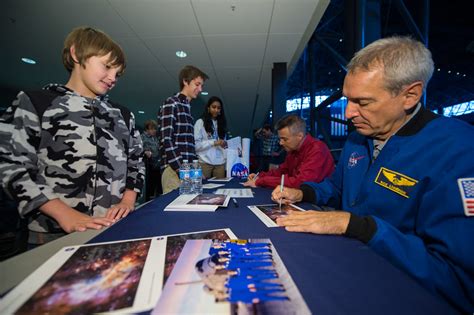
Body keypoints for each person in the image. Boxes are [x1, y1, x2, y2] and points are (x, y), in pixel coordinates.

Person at [271, 36, 474, 312]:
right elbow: (336, 189)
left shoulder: (460, 151)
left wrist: (359, 227)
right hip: (345, 270)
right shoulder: (357, 140)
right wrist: (304, 192)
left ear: (410, 95)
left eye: (363, 102)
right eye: (347, 100)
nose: (349, 113)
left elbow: (458, 281)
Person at [0, 26, 145, 246]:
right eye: (107, 66)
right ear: (77, 54)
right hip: (51, 233)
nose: (112, 78)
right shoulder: (36, 103)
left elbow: (136, 160)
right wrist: (63, 214)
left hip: (111, 227)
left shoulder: (123, 115)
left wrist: (128, 199)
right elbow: (11, 164)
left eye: (117, 73)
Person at [244, 115, 334, 189]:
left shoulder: (317, 149)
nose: (280, 143)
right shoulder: (292, 151)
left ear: (299, 136)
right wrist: (260, 176)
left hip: (321, 206)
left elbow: (301, 182)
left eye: (284, 139)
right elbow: (281, 171)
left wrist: (261, 181)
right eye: (280, 139)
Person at [159, 65, 209, 194]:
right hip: (173, 171)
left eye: (202, 86)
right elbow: (167, 140)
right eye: (197, 84)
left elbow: (189, 147)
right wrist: (183, 170)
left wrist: (196, 171)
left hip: (187, 171)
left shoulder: (188, 109)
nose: (200, 89)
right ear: (185, 81)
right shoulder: (172, 103)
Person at [194, 96, 228, 179]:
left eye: (219, 108)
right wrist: (213, 142)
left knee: (220, 190)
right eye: (213, 107)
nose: (216, 110)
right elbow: (196, 145)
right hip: (205, 163)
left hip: (220, 163)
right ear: (208, 108)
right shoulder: (200, 122)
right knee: (203, 189)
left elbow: (225, 146)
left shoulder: (222, 124)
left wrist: (225, 145)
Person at [141, 119, 162, 200]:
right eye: (152, 129)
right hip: (149, 165)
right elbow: (139, 148)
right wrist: (145, 151)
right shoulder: (142, 137)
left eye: (155, 129)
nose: (154, 130)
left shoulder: (156, 138)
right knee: (150, 187)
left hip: (158, 165)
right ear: (147, 129)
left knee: (159, 187)